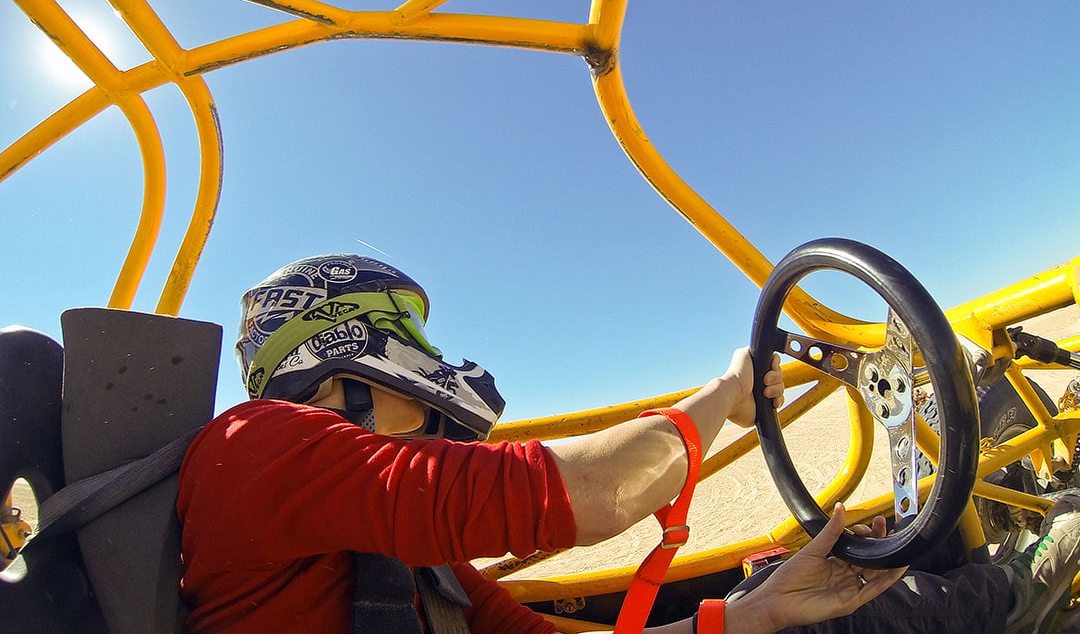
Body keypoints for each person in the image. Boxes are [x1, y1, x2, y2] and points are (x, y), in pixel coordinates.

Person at [176, 254, 1080, 634]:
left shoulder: (407, 561)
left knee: (784, 590)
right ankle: (1029, 579)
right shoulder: (254, 444)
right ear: (350, 350)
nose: (436, 363)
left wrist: (749, 618)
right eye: (410, 332)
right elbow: (592, 495)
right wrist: (726, 395)